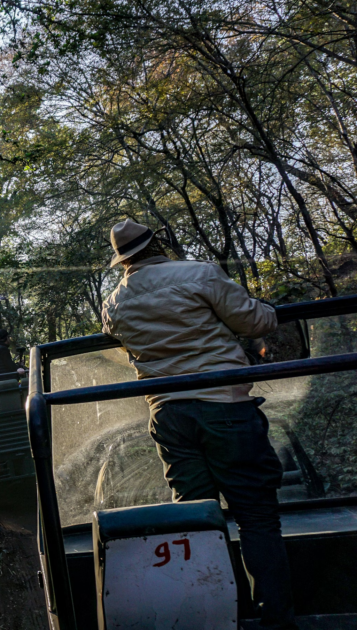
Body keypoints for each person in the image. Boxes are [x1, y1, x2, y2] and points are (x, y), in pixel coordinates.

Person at [101, 219, 294, 629]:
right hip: (223, 404)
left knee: (197, 520)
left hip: (168, 415)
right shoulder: (200, 273)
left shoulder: (114, 301)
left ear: (123, 261)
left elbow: (116, 335)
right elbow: (255, 322)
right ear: (159, 244)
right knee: (257, 516)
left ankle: (224, 618)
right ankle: (276, 621)